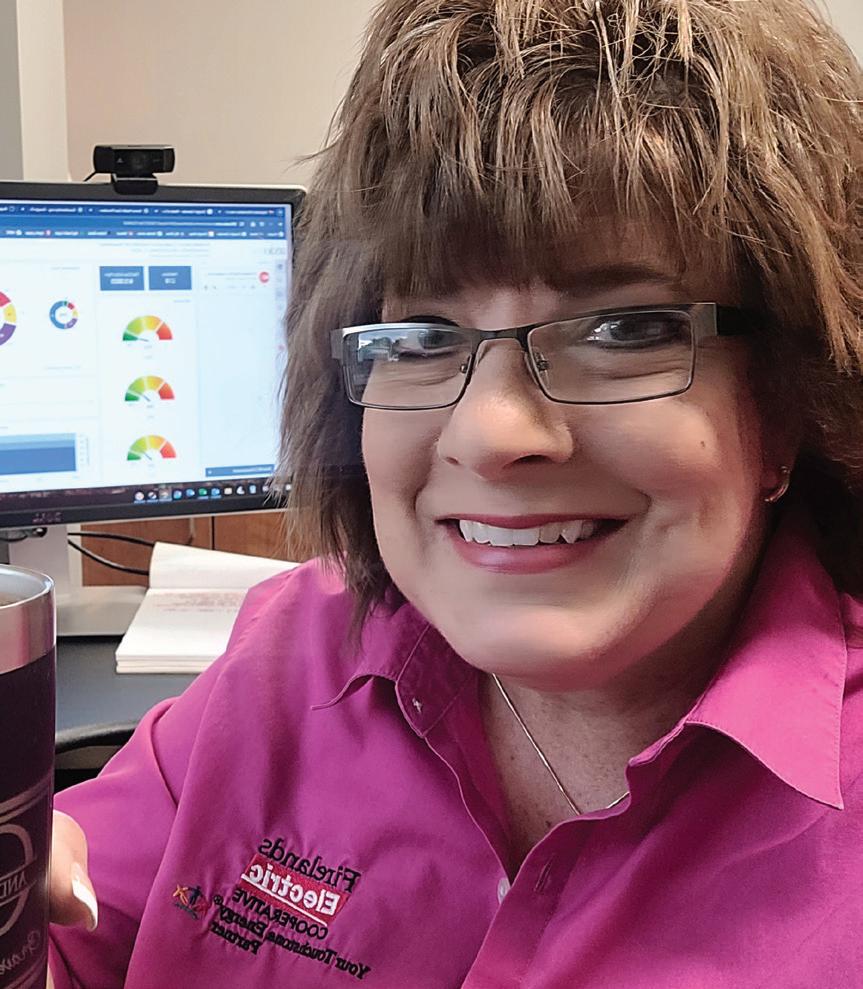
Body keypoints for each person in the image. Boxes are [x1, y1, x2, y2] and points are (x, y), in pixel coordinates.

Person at [48, 0, 863, 986]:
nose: (489, 433)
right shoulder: (292, 654)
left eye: (621, 329)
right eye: (421, 337)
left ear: (785, 401)